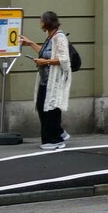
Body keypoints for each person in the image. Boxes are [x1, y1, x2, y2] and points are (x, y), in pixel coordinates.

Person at [18, 11, 71, 151]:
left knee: (49, 109)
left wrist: (45, 62)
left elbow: (64, 59)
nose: (39, 23)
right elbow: (44, 52)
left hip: (54, 81)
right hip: (45, 80)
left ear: (47, 22)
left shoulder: (60, 37)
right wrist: (30, 43)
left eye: (41, 21)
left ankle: (54, 140)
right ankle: (58, 134)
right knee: (44, 107)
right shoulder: (50, 37)